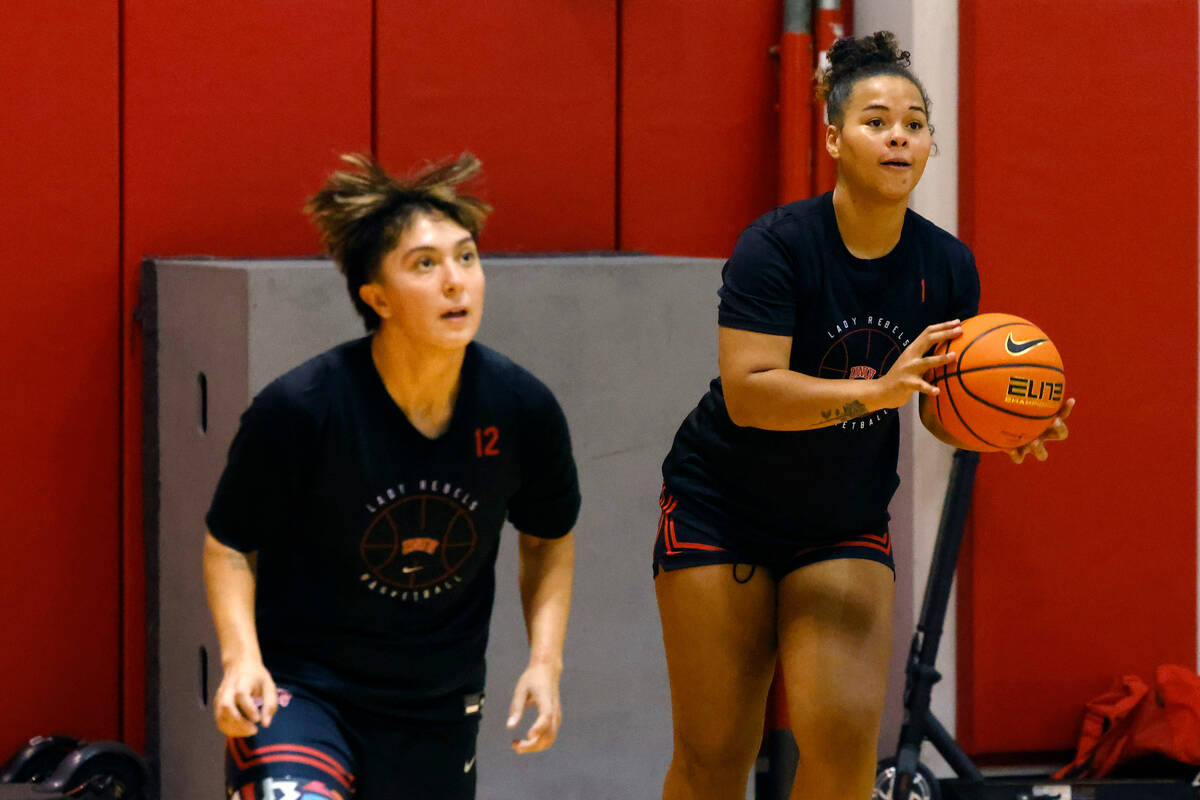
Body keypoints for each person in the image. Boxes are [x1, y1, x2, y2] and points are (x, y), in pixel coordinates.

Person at [652, 31, 1072, 800]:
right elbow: (750, 393)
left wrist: (1005, 422)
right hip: (723, 505)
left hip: (840, 517)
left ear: (929, 146)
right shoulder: (775, 247)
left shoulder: (947, 266)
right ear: (835, 138)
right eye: (878, 120)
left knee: (846, 751)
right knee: (714, 761)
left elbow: (941, 408)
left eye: (914, 123)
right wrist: (879, 391)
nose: (899, 135)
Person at [202, 153, 580, 800]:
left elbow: (547, 539)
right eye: (425, 265)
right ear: (376, 297)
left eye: (466, 257)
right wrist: (242, 660)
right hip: (302, 692)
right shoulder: (301, 409)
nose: (457, 281)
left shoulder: (521, 408)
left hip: (436, 706)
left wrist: (545, 664)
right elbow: (230, 544)